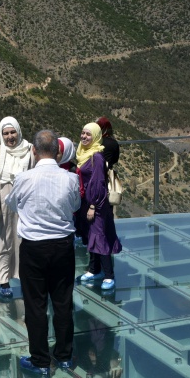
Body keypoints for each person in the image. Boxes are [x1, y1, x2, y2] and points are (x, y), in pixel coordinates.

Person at [5, 130, 81, 375]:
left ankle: (40, 360)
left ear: (33, 151)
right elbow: (75, 206)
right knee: (62, 302)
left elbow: (13, 204)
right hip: (62, 245)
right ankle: (64, 356)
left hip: (34, 246)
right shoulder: (70, 178)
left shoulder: (24, 178)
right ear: (58, 152)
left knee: (36, 305)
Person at [0, 116, 32, 298]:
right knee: (3, 241)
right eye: (6, 133)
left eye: (12, 132)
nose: (10, 137)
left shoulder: (29, 150)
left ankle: (23, 276)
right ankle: (3, 281)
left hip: (24, 201)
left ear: (18, 131)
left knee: (22, 240)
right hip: (4, 200)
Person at [76, 122, 123, 291]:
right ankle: (94, 269)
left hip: (96, 203)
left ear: (96, 136)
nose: (84, 137)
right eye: (82, 133)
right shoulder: (83, 153)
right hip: (85, 202)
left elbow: (98, 183)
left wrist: (93, 206)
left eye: (88, 134)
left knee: (99, 236)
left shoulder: (96, 156)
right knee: (91, 236)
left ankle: (109, 275)